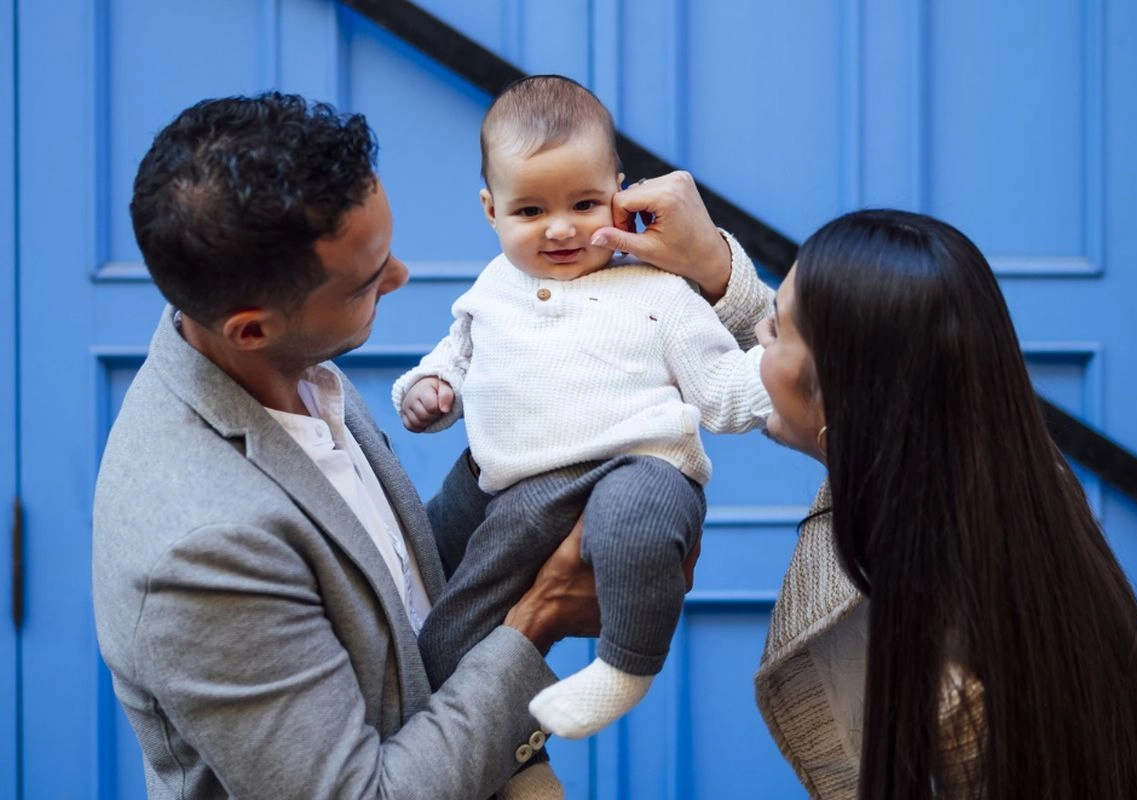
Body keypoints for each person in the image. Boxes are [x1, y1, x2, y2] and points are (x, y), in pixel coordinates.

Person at [90, 92, 766, 800]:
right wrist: (538, 617)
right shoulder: (201, 550)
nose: (402, 276)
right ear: (252, 328)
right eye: (367, 280)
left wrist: (712, 271)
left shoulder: (284, 365)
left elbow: (391, 589)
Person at [750, 208, 1137, 798]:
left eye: (776, 326)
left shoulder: (958, 690)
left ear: (845, 398)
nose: (758, 331)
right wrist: (720, 270)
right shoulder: (1001, 472)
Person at [392, 74, 772, 756]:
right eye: (530, 210)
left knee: (633, 522)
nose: (562, 227)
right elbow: (456, 358)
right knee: (450, 634)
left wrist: (780, 368)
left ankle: (625, 666)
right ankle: (501, 765)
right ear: (491, 210)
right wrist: (429, 389)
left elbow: (720, 388)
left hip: (642, 466)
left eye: (585, 203)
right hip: (522, 492)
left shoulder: (660, 289)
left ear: (619, 193)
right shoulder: (494, 289)